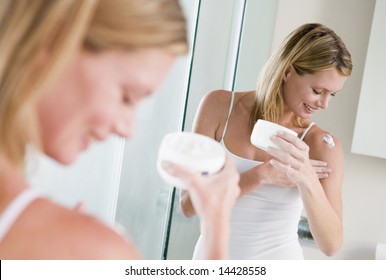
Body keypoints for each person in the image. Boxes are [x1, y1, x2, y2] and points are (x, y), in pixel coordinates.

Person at [0, 0, 240, 259]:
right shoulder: (89, 250)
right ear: (54, 39)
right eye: (127, 96)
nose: (128, 129)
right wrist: (216, 226)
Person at [181, 23, 353, 259]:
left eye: (331, 94)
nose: (323, 104)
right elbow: (189, 205)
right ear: (288, 71)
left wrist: (306, 177)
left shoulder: (320, 144)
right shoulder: (219, 107)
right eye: (317, 90)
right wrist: (262, 175)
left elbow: (331, 245)